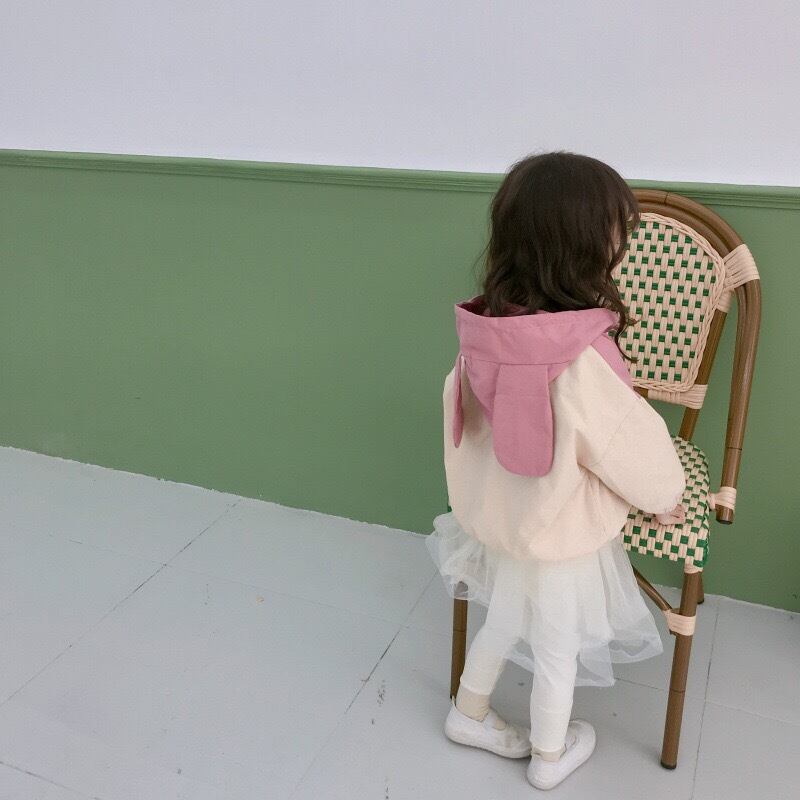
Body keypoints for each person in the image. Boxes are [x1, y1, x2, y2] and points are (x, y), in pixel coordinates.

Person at [426, 151, 686, 790]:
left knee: (506, 614)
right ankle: (549, 754)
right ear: (588, 246)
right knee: (557, 642)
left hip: (504, 519)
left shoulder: (485, 331)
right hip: (560, 529)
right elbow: (632, 449)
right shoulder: (579, 360)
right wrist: (665, 496)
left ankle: (469, 712)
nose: (624, 242)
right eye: (617, 231)